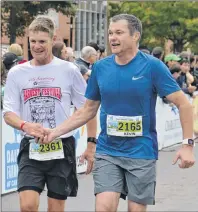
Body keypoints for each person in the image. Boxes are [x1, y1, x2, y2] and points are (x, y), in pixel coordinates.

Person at [43, 14, 195, 212]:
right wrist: (55, 132)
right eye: (110, 33)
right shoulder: (100, 67)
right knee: (104, 206)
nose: (112, 37)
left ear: (135, 36)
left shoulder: (152, 67)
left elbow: (184, 104)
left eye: (119, 33)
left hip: (141, 150)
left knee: (135, 209)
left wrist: (187, 145)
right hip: (108, 150)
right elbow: (88, 109)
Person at [3, 15, 97, 212]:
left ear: (53, 39)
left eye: (42, 41)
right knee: (27, 205)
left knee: (55, 208)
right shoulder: (17, 73)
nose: (36, 46)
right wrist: (26, 126)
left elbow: (88, 109)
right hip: (31, 145)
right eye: (33, 41)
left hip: (62, 147)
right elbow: (8, 113)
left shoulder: (69, 70)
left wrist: (91, 145)